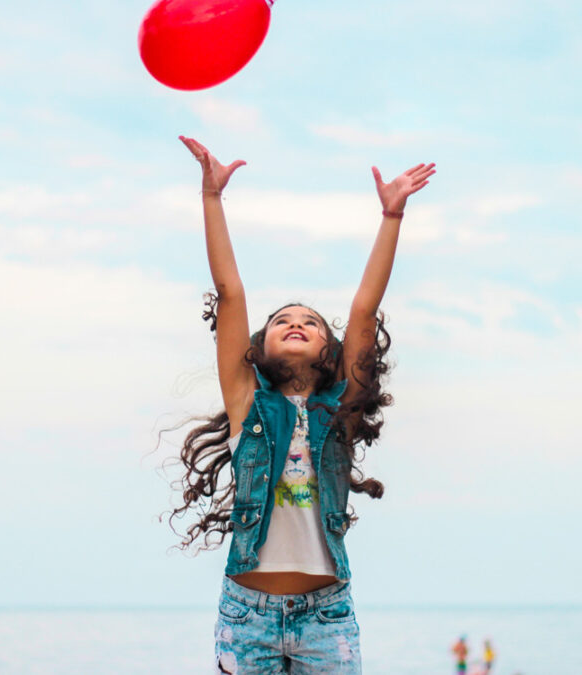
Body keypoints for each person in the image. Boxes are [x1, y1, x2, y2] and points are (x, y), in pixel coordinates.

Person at [170, 136, 435, 674]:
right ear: (259, 347)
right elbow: (230, 293)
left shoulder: (339, 412)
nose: (296, 323)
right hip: (247, 615)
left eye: (311, 322)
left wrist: (391, 216)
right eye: (283, 320)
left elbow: (365, 308)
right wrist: (212, 199)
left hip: (326, 615)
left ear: (330, 351)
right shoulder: (249, 406)